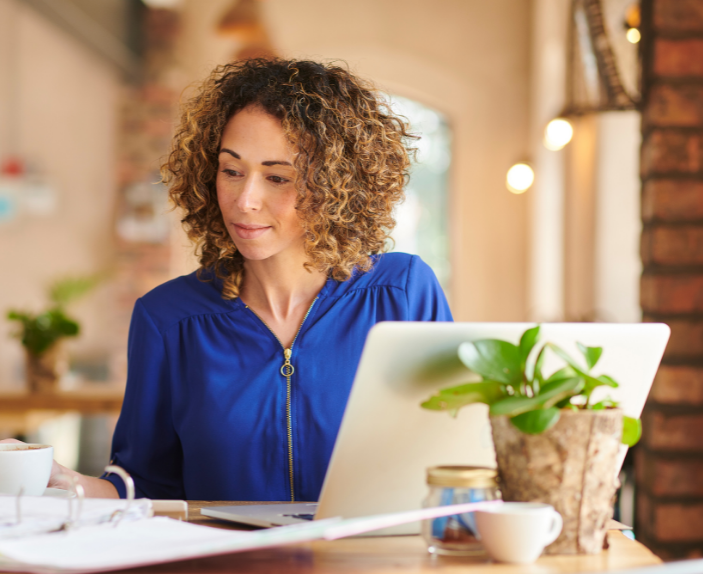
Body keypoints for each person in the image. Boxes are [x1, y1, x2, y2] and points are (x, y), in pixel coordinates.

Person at [36, 59, 452, 501]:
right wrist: (68, 482)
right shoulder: (168, 319)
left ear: (334, 185)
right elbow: (145, 486)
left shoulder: (402, 294)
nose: (245, 200)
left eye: (277, 177)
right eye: (231, 171)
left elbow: (454, 461)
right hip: (227, 568)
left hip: (370, 565)